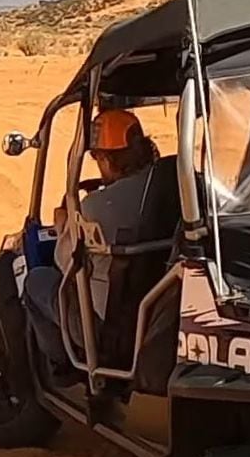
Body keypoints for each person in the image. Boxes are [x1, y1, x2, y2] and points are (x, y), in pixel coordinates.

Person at [23, 108, 159, 367]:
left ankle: (62, 370)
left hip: (107, 326)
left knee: (37, 281)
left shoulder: (96, 207)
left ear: (107, 161)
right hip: (158, 314)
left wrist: (63, 225)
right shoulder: (169, 189)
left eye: (97, 158)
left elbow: (64, 262)